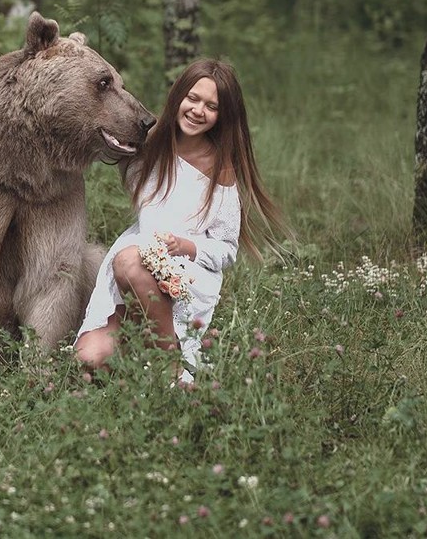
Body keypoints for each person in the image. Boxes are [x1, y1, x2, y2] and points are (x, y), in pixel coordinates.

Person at [74, 59, 287, 382]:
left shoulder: (219, 169)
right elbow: (101, 132)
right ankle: (145, 347)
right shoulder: (151, 144)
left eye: (211, 106)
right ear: (178, 97)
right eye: (193, 98)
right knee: (89, 359)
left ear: (222, 115)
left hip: (185, 271)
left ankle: (170, 366)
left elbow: (227, 249)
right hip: (138, 263)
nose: (198, 110)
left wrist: (186, 246)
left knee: (128, 260)